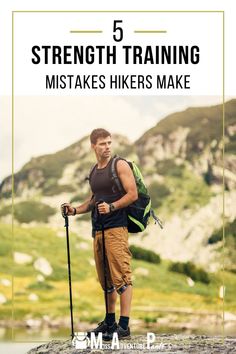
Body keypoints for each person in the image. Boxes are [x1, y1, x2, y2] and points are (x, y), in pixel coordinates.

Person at [61, 128, 138, 340]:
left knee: (121, 276)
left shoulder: (119, 165)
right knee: (106, 280)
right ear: (93, 145)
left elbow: (133, 194)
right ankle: (109, 322)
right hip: (98, 230)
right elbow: (94, 200)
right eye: (103, 143)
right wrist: (75, 210)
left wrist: (112, 207)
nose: (107, 147)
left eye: (109, 143)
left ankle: (124, 326)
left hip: (116, 229)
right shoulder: (94, 171)